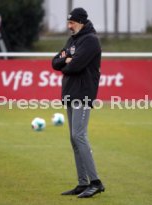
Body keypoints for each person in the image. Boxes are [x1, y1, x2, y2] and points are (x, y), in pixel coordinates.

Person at [52, 7, 105, 198]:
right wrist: (66, 60)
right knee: (74, 139)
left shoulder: (90, 41)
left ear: (81, 22)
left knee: (79, 136)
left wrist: (67, 61)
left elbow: (73, 66)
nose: (69, 26)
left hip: (83, 94)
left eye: (72, 22)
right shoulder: (73, 39)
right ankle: (83, 183)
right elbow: (55, 63)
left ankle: (96, 182)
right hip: (69, 93)